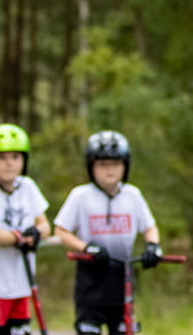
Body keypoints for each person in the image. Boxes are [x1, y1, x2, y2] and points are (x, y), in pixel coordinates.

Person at [55, 130, 162, 335]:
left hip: (122, 279)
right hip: (90, 281)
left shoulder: (133, 195)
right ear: (91, 167)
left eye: (115, 164)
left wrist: (153, 246)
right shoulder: (80, 196)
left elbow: (149, 227)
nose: (109, 170)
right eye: (102, 165)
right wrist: (86, 247)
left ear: (125, 165)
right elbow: (61, 231)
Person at [0, 123, 53, 335]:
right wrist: (18, 238)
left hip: (20, 282)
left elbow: (45, 226)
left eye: (15, 157)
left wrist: (36, 233)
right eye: (2, 158)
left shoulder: (28, 187)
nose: (9, 164)